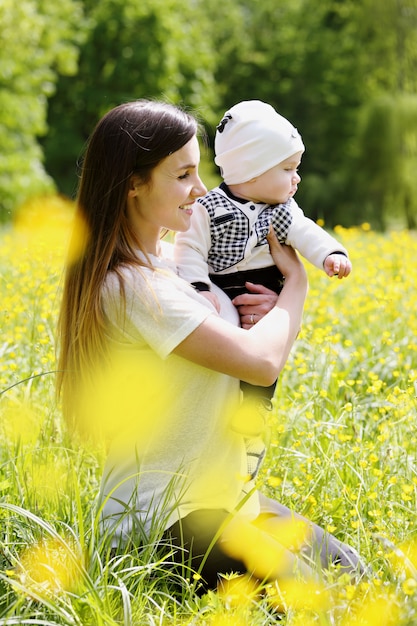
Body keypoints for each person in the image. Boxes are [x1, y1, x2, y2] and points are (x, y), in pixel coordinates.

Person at [57, 99, 364, 598]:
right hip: (159, 521)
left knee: (354, 576)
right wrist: (296, 286)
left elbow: (249, 346)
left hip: (224, 499)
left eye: (199, 172)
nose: (201, 191)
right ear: (133, 184)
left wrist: (263, 309)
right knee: (320, 602)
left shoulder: (174, 265)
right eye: (182, 176)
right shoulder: (134, 287)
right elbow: (261, 363)